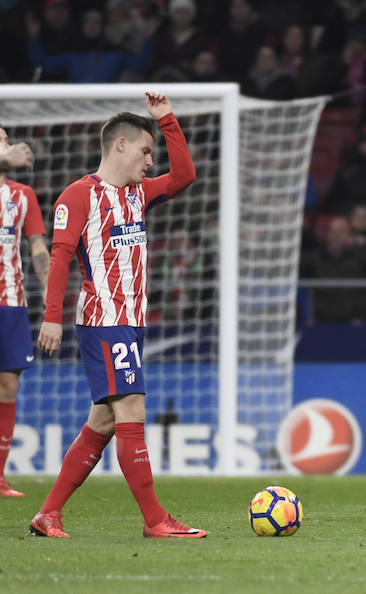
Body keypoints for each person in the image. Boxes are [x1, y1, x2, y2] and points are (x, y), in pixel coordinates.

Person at [30, 92, 205, 539]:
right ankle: (155, 520)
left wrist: (166, 120)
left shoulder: (138, 196)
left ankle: (48, 514)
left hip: (132, 322)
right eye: (146, 151)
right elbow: (61, 256)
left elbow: (185, 175)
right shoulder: (79, 194)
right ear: (120, 145)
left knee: (105, 421)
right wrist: (52, 317)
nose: (151, 161)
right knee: (132, 409)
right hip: (105, 320)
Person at [0, 127, 49, 498]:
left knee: (9, 384)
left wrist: (48, 283)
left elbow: (36, 245)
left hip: (11, 301)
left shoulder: (23, 195)